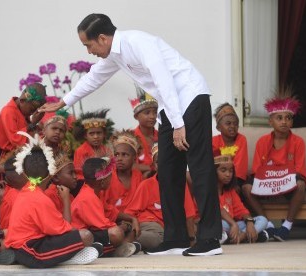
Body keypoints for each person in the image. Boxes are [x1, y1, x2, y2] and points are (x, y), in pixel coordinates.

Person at [39, 13, 222, 256]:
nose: (89, 51)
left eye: (88, 44)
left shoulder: (138, 43)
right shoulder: (115, 54)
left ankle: (210, 240)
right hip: (170, 106)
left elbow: (163, 79)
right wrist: (63, 101)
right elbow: (94, 78)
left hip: (189, 97)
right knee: (167, 171)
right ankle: (176, 238)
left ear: (102, 38)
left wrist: (178, 124)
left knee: (199, 168)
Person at [4, 132, 99, 268]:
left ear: (24, 172)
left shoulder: (28, 189)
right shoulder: (39, 198)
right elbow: (66, 230)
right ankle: (65, 258)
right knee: (86, 236)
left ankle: (66, 255)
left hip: (24, 246)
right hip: (30, 251)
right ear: (51, 173)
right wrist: (66, 200)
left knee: (81, 237)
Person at [242, 89, 306, 241]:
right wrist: (273, 179)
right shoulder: (262, 141)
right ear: (270, 121)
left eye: (288, 118)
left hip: (288, 182)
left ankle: (287, 226)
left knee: (301, 184)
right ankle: (269, 224)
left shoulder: (298, 142)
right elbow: (258, 171)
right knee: (246, 187)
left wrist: (282, 178)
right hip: (268, 182)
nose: (284, 121)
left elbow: (300, 171)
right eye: (279, 118)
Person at [126, 144, 198, 252]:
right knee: (163, 238)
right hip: (152, 224)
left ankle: (136, 245)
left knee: (194, 230)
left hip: (170, 226)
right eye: (159, 162)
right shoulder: (146, 185)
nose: (164, 165)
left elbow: (189, 215)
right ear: (154, 165)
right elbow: (130, 211)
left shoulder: (181, 185)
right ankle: (126, 239)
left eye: (168, 161)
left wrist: (191, 239)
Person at [71, 157, 138, 257]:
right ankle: (115, 248)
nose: (112, 179)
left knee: (118, 229)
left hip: (93, 231)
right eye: (110, 176)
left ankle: (112, 248)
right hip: (82, 237)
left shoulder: (97, 192)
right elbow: (104, 225)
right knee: (116, 233)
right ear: (102, 182)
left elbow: (111, 212)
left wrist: (132, 218)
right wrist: (124, 227)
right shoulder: (87, 197)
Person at [214, 152, 268, 244]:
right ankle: (254, 235)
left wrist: (250, 223)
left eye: (231, 171)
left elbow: (242, 211)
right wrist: (233, 224)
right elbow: (219, 210)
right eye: (223, 170)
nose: (228, 174)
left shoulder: (231, 191)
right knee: (221, 224)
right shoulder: (208, 190)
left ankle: (239, 237)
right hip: (220, 224)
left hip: (233, 226)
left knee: (262, 220)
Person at [0, 83, 47, 162]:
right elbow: (16, 140)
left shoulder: (22, 111)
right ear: (22, 101)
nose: (32, 113)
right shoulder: (8, 111)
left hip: (20, 154)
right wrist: (33, 124)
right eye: (32, 109)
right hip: (4, 158)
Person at [103, 130, 142, 212]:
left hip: (135, 219)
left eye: (125, 155)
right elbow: (104, 207)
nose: (119, 159)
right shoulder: (107, 177)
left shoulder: (138, 177)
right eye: (116, 155)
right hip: (113, 220)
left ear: (134, 158)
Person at [212, 103, 248, 189]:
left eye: (235, 124)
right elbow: (212, 164)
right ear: (218, 128)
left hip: (236, 180)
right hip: (217, 179)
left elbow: (239, 169)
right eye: (228, 123)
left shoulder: (241, 139)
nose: (232, 126)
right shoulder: (213, 141)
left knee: (235, 189)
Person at [72, 109, 114, 180]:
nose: (96, 136)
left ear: (104, 134)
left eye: (99, 133)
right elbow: (79, 174)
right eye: (91, 133)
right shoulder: (80, 151)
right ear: (85, 135)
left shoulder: (107, 150)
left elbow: (113, 169)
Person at [130, 86, 158, 176]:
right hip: (139, 179)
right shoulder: (129, 138)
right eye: (147, 113)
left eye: (155, 112)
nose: (152, 116)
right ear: (136, 116)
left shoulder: (162, 136)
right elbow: (127, 165)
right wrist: (151, 168)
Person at [44, 152, 77, 221]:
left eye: (75, 173)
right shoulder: (49, 195)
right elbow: (64, 226)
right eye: (70, 173)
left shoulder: (69, 194)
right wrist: (66, 199)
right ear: (56, 177)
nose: (75, 177)